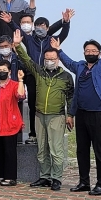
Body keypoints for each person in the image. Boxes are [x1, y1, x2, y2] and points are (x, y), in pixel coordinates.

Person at [51, 19, 101, 196]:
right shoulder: (80, 67)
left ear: (99, 53)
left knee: (100, 150)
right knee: (82, 150)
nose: (90, 53)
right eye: (87, 50)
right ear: (84, 53)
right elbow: (68, 62)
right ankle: (84, 182)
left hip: (98, 114)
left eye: (93, 51)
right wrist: (58, 50)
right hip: (82, 114)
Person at [14, 30, 74, 191]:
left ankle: (56, 178)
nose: (49, 61)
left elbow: (71, 97)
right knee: (42, 149)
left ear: (58, 60)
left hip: (57, 116)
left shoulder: (66, 77)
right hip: (40, 115)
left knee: (55, 149)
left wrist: (71, 115)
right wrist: (18, 45)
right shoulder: (39, 71)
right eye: (47, 59)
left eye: (52, 59)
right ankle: (45, 176)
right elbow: (26, 60)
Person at [7, 11, 73, 144]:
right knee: (32, 104)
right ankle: (33, 133)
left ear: (48, 28)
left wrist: (65, 23)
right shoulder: (30, 39)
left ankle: (47, 133)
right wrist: (10, 22)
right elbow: (18, 31)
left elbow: (64, 34)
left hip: (47, 75)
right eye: (37, 26)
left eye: (43, 26)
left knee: (46, 104)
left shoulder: (52, 40)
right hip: (32, 74)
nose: (39, 28)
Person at [0, 60, 25, 186]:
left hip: (9, 123)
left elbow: (20, 95)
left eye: (4, 70)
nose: (1, 72)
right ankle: (1, 176)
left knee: (9, 151)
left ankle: (10, 177)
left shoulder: (14, 85)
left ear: (9, 72)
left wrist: (20, 80)